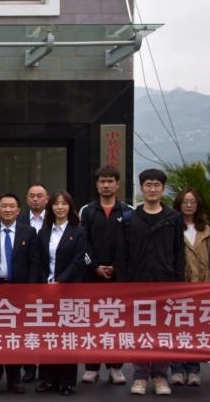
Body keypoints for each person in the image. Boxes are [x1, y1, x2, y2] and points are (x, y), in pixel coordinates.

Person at [120, 169, 184, 396]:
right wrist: (124, 285)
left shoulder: (173, 218)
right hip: (137, 283)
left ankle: (159, 376)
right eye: (148, 185)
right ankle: (139, 376)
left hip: (165, 283)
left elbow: (179, 253)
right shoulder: (129, 218)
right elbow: (123, 254)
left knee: (162, 332)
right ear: (141, 188)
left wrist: (178, 283)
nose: (153, 189)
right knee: (139, 331)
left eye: (157, 185)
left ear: (163, 189)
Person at [0, 193, 39, 394]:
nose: (8, 209)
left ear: (18, 210)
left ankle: (14, 379)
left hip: (19, 289)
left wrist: (30, 290)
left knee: (15, 336)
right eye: (4, 206)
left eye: (12, 206)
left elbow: (34, 263)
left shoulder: (28, 232)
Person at [34, 191, 89, 397]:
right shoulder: (43, 232)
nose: (59, 207)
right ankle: (47, 378)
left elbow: (79, 260)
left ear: (70, 207)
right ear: (51, 207)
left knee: (67, 336)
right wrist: (45, 282)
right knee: (47, 335)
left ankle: (66, 381)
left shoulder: (79, 231)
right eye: (56, 203)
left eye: (64, 203)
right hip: (46, 290)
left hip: (68, 291)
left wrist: (60, 282)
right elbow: (38, 260)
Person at [79, 165, 130, 385]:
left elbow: (130, 244)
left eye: (110, 181)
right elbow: (82, 243)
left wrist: (117, 267)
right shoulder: (87, 211)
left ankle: (115, 367)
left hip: (118, 277)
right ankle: (91, 367)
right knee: (92, 322)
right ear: (96, 185)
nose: (106, 185)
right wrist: (94, 266)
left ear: (117, 185)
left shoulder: (127, 211)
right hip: (92, 276)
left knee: (116, 322)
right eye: (102, 181)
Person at [169, 188, 210, 387]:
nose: (188, 205)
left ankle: (194, 370)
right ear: (178, 204)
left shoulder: (206, 229)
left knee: (196, 330)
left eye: (192, 201)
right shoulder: (172, 226)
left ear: (198, 204)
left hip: (202, 284)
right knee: (176, 329)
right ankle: (177, 370)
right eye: (185, 201)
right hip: (180, 285)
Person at [16, 183, 48, 383]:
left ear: (47, 199)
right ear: (27, 199)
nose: (35, 199)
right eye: (32, 196)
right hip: (25, 280)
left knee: (46, 327)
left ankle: (46, 369)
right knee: (25, 328)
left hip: (49, 280)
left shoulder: (54, 219)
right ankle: (28, 367)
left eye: (39, 195)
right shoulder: (18, 220)